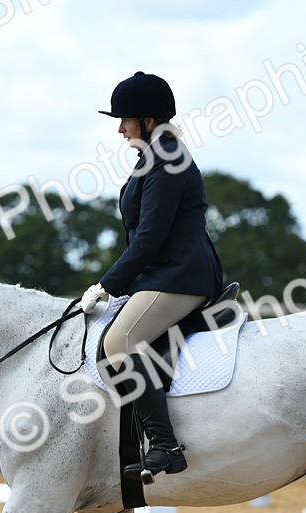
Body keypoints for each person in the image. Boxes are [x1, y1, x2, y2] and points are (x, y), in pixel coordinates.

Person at [83, 71, 224, 480]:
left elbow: (147, 239)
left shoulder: (166, 159)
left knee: (119, 342)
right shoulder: (153, 156)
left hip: (180, 276)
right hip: (161, 275)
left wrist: (107, 285)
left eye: (125, 119)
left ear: (148, 120)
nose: (119, 128)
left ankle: (164, 444)